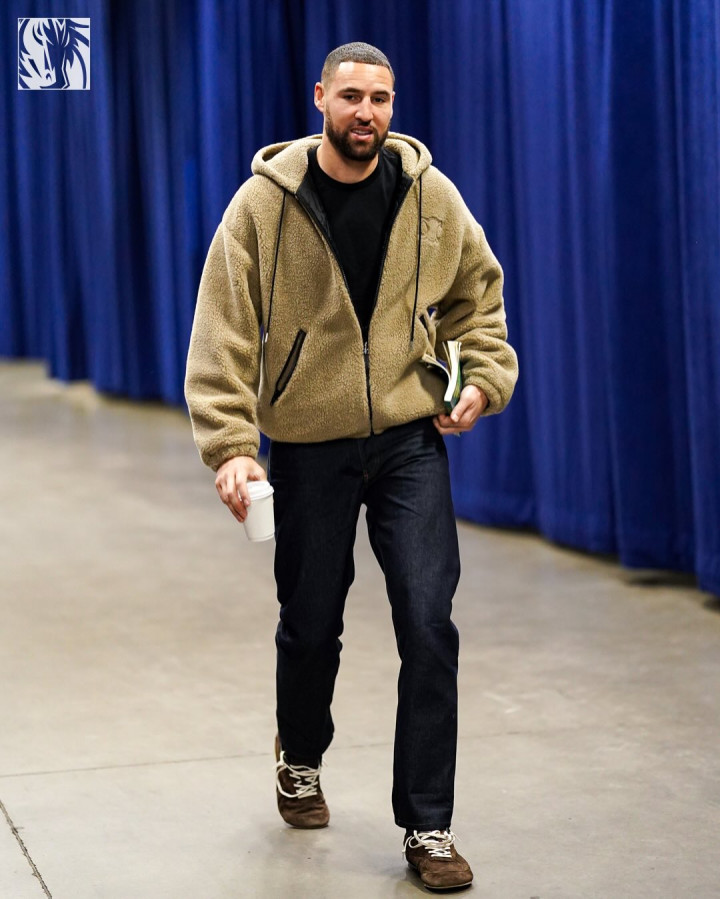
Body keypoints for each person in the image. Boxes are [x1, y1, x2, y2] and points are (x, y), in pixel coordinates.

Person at [185, 41, 518, 892]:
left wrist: (482, 378)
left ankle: (429, 824)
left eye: (380, 98)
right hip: (309, 440)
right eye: (351, 97)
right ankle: (300, 756)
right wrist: (231, 447)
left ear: (393, 105)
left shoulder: (430, 197)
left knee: (429, 621)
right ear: (320, 99)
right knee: (310, 621)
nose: (366, 112)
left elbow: (477, 297)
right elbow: (223, 329)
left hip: (408, 438)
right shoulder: (265, 205)